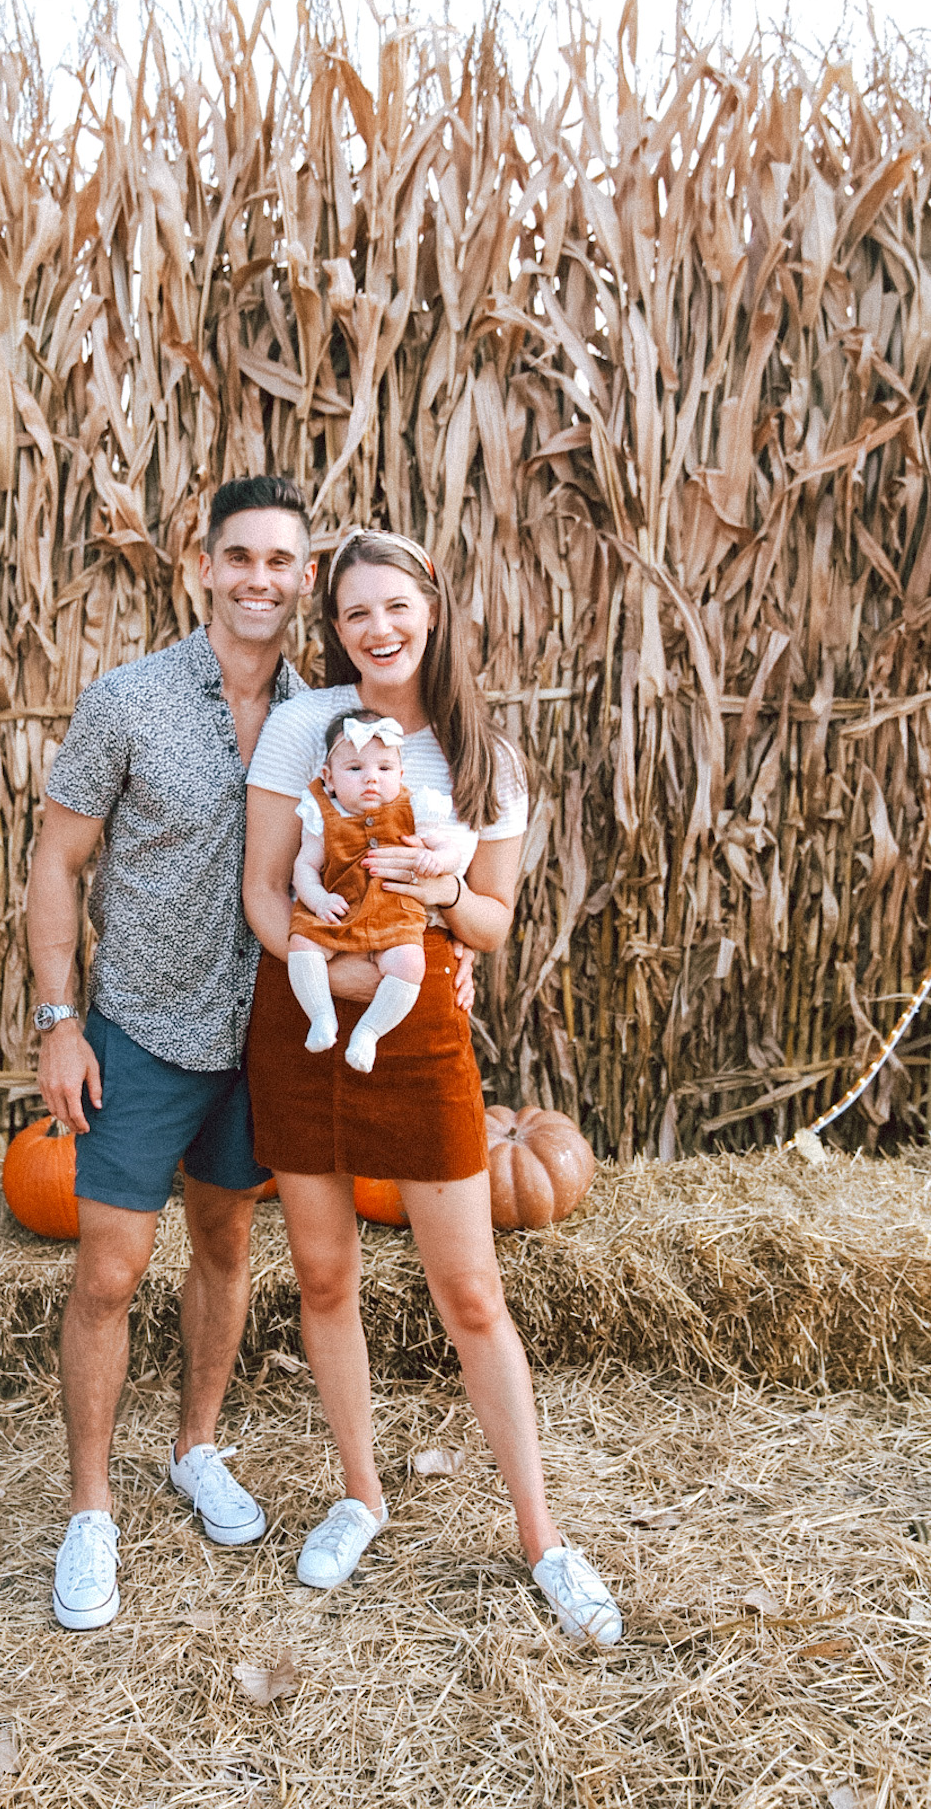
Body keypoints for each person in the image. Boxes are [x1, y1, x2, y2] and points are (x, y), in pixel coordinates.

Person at [242, 524, 622, 1646]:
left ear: (433, 605)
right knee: (322, 1276)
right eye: (355, 612)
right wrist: (340, 971)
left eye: (395, 606)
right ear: (336, 627)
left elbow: (495, 925)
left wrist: (446, 885)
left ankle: (541, 1534)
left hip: (421, 1025)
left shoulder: (484, 757)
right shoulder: (302, 729)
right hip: (306, 1015)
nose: (379, 629)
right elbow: (267, 893)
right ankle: (360, 1491)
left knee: (470, 1295)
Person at [26, 475, 316, 1632]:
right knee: (106, 1272)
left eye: (279, 561)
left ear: (304, 577)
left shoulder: (322, 719)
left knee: (226, 1241)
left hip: (261, 1039)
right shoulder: (127, 701)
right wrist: (58, 1018)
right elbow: (58, 859)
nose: (258, 578)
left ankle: (196, 1444)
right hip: (141, 1028)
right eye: (237, 556)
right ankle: (90, 1505)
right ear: (204, 567)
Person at [287, 708, 477, 1071]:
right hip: (338, 908)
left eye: (384, 769)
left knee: (409, 963)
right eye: (355, 769)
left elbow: (449, 850)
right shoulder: (321, 814)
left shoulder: (415, 809)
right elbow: (305, 868)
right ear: (328, 778)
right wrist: (318, 899)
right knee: (303, 943)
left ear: (401, 774)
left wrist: (437, 863)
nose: (371, 779)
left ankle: (369, 1032)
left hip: (394, 916)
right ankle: (322, 1017)